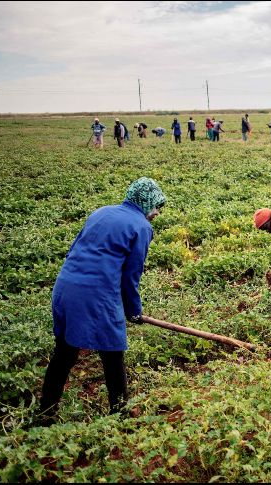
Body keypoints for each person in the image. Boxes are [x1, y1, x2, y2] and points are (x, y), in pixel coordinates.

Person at [37, 177, 166, 423]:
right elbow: (131, 276)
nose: (157, 212)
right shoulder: (141, 226)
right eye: (157, 205)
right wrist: (134, 310)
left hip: (65, 288)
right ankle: (121, 416)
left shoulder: (101, 212)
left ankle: (45, 413)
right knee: (113, 352)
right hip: (95, 295)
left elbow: (75, 248)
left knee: (64, 353)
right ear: (146, 202)